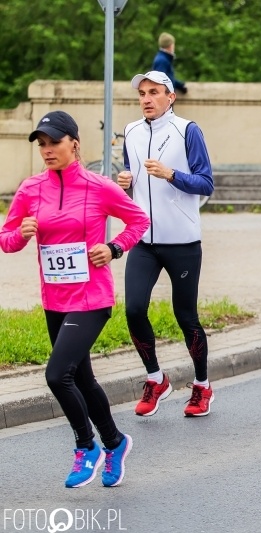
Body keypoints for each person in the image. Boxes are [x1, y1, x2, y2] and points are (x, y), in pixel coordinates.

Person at [0, 111, 149, 487]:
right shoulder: (30, 189)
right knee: (82, 379)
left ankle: (88, 446)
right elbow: (6, 239)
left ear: (75, 144)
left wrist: (114, 248)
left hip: (92, 296)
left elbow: (139, 220)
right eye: (42, 144)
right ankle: (115, 443)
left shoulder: (98, 187)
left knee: (56, 375)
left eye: (54, 142)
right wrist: (22, 232)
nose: (47, 150)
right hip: (55, 298)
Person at [116, 71, 215, 417]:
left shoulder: (187, 130)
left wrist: (171, 174)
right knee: (133, 310)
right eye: (142, 93)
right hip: (143, 240)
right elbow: (132, 180)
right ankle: (156, 379)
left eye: (154, 92)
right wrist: (125, 181)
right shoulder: (130, 131)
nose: (146, 98)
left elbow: (206, 183)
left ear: (170, 97)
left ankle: (202, 386)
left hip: (182, 241)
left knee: (185, 316)